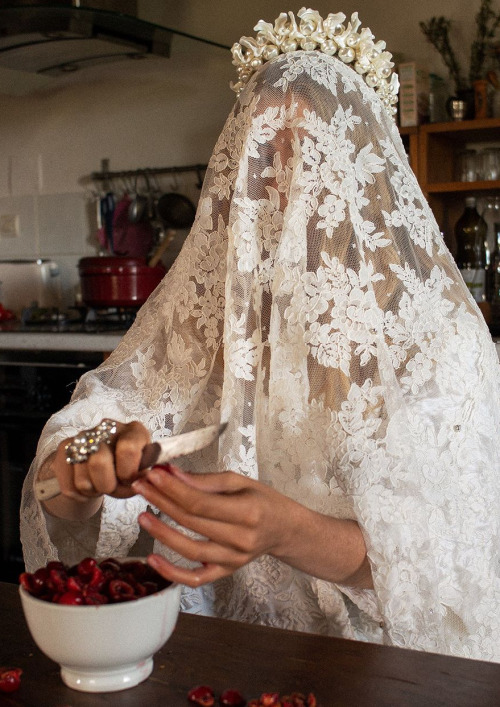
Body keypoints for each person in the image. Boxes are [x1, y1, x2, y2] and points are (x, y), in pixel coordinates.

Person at [21, 8, 500, 662]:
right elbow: (66, 480)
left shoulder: (443, 345)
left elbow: (452, 566)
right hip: (218, 657)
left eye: (307, 153)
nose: (280, 184)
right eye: (261, 155)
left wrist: (289, 529)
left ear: (363, 174)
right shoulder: (203, 330)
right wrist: (78, 472)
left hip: (382, 672)